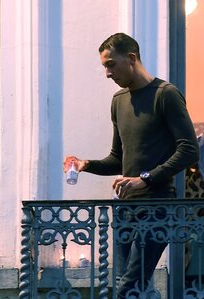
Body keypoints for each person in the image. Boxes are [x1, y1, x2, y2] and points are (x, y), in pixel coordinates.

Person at [63, 33, 199, 298]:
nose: (107, 73)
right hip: (125, 208)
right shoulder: (118, 101)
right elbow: (118, 158)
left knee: (128, 287)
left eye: (111, 64)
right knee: (126, 284)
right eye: (104, 65)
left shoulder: (166, 94)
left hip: (157, 207)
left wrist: (145, 178)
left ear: (132, 58)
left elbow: (189, 149)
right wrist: (85, 164)